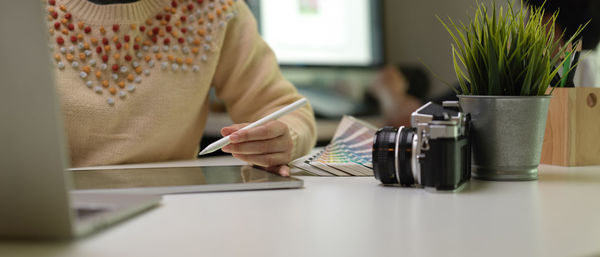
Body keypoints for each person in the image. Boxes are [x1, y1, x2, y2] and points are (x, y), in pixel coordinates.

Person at [44, 0, 317, 176]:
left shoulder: (214, 9)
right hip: (40, 211)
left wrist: (281, 139)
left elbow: (288, 111)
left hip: (175, 213)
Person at [526, 0, 600, 87]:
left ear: (548, 25)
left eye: (529, 19)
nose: (525, 27)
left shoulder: (586, 67)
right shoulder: (591, 65)